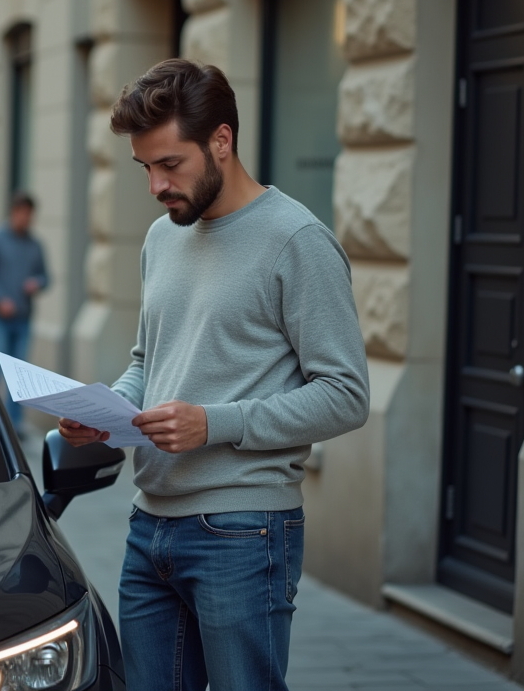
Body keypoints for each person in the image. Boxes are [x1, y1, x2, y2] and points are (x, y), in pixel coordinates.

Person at [58, 58, 369, 691]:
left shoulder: (296, 241)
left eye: (170, 165)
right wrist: (107, 413)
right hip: (149, 526)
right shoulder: (161, 238)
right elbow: (151, 362)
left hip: (244, 530)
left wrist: (214, 424)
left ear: (221, 142)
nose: (156, 186)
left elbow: (347, 396)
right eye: (146, 167)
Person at [0, 190, 49, 435]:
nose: (26, 219)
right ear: (13, 212)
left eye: (30, 214)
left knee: (19, 375)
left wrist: (36, 283)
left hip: (23, 319)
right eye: (22, 213)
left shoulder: (34, 245)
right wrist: (0, 300)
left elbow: (45, 276)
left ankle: (12, 425)